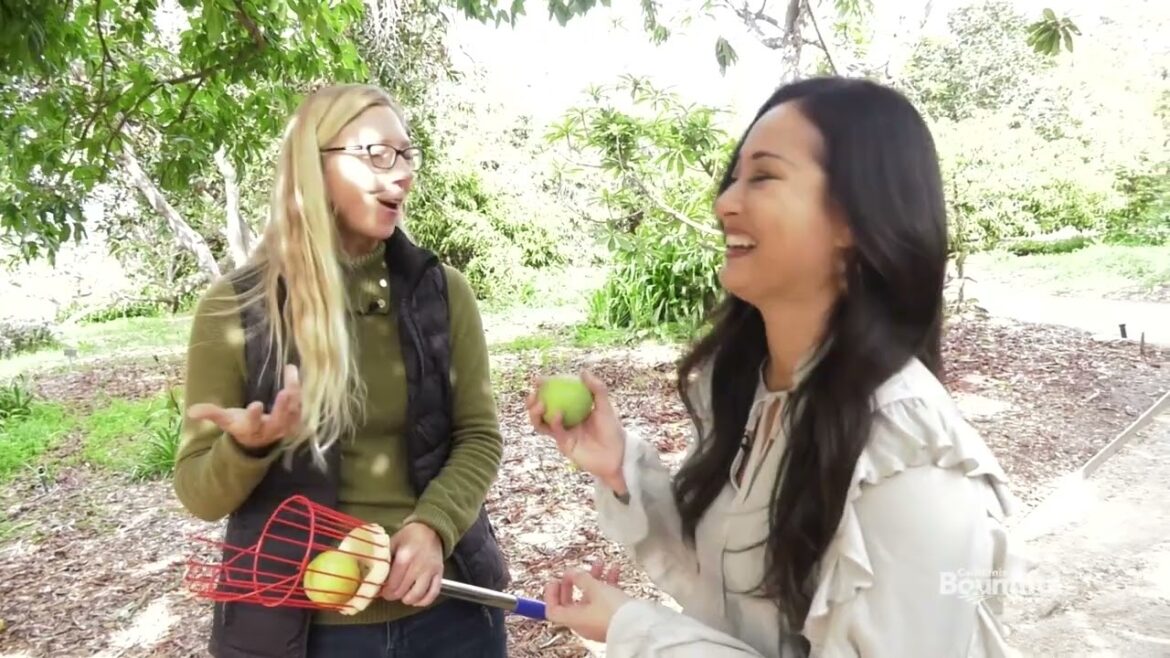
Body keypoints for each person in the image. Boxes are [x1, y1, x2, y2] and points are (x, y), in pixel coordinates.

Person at [526, 76, 1025, 657]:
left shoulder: (911, 460)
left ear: (855, 220)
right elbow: (732, 596)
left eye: (763, 176)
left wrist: (635, 630)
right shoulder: (754, 394)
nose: (724, 202)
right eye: (734, 176)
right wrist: (618, 468)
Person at [173, 83, 510, 658]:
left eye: (407, 155)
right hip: (298, 634)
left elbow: (478, 437)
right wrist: (249, 448)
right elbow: (200, 494)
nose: (401, 173)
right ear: (314, 165)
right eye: (378, 154)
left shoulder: (442, 293)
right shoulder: (235, 309)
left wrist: (433, 528)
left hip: (449, 617)